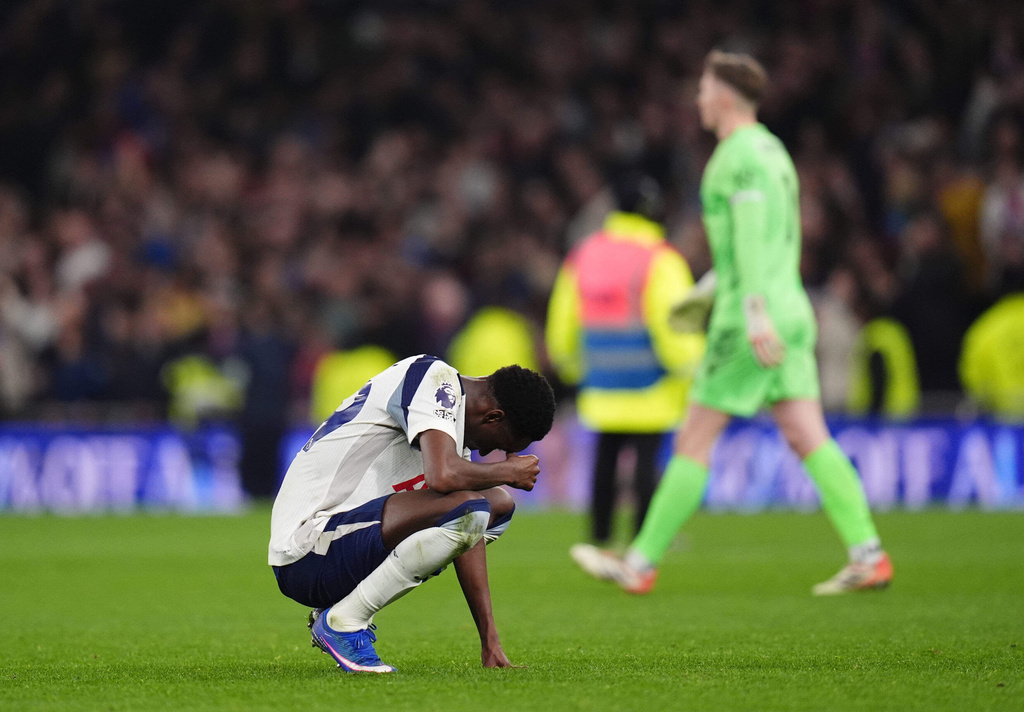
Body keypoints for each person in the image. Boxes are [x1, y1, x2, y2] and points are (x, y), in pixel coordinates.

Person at [571, 50, 892, 596]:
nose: (697, 99)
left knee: (695, 438)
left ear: (723, 94)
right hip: (791, 309)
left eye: (702, 88)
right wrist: (710, 293)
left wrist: (752, 313)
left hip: (753, 318)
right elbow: (767, 243)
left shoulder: (734, 159)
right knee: (807, 433)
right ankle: (868, 553)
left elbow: (746, 242)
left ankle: (641, 561)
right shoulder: (775, 152)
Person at [270, 355, 555, 672]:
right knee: (470, 504)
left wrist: (490, 640)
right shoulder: (431, 379)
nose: (487, 454)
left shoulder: (449, 429)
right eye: (499, 445)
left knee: (496, 507)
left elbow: (467, 533)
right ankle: (344, 622)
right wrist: (507, 470)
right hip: (308, 547)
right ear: (493, 416)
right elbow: (442, 476)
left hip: (344, 548)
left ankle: (342, 610)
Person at [546, 173, 703, 547]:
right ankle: (645, 538)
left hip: (601, 377)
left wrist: (570, 364)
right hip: (650, 380)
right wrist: (692, 364)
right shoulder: (660, 258)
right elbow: (675, 322)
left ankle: (599, 534)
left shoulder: (585, 253)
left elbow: (563, 316)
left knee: (606, 455)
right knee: (647, 460)